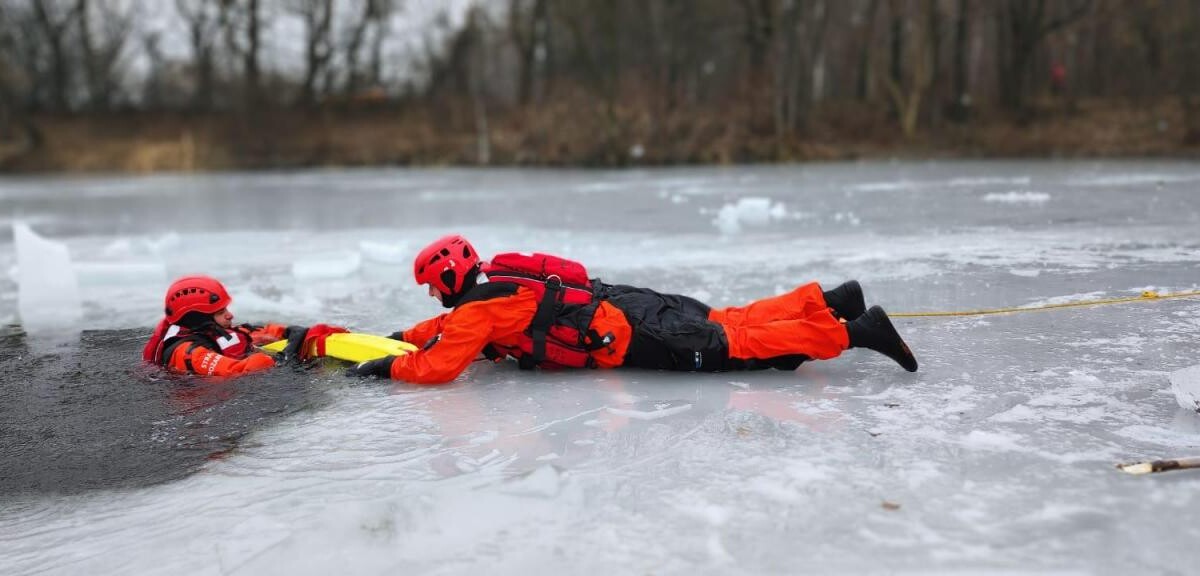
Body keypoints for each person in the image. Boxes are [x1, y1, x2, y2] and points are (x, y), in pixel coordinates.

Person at [347, 235, 917, 385]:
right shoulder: (495, 277)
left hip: (622, 333)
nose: (433, 296)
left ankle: (856, 331)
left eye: (432, 286)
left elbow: (441, 364)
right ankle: (831, 301)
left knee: (735, 345)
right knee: (727, 321)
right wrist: (405, 333)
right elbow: (449, 329)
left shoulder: (476, 312)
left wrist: (391, 366)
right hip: (620, 301)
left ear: (449, 277)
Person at [142, 275, 344, 378]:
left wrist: (285, 332)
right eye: (220, 312)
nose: (230, 315)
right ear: (198, 319)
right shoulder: (186, 352)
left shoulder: (210, 331)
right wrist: (283, 357)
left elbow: (241, 335)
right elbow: (237, 371)